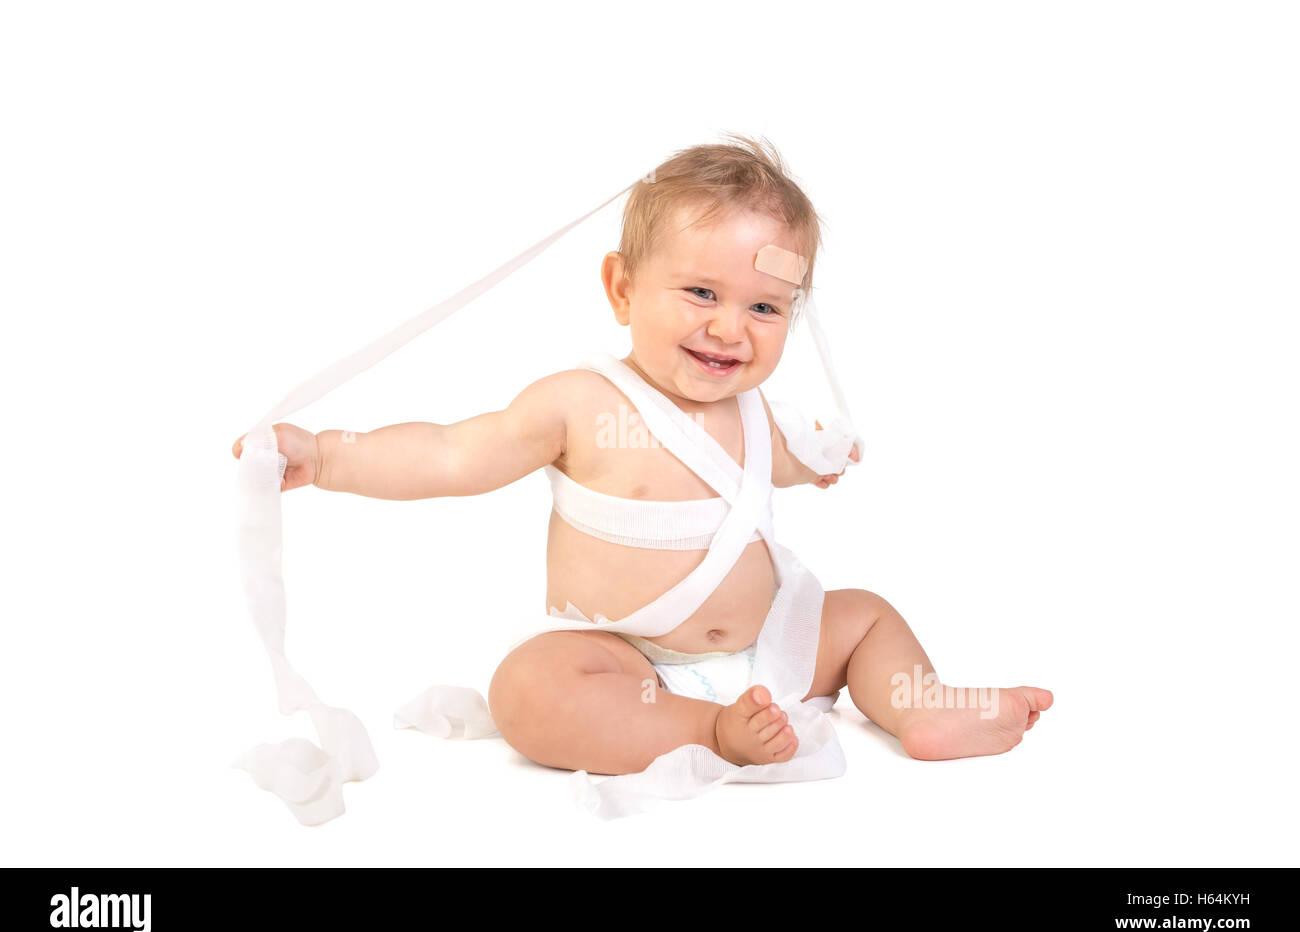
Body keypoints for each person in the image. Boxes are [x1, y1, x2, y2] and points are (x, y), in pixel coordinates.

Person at [232, 135, 1052, 778]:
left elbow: (781, 463)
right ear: (622, 288)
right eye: (701, 293)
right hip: (627, 663)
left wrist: (821, 460)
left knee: (865, 613)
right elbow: (453, 453)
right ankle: (710, 731)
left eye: (764, 305)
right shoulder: (578, 402)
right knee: (528, 689)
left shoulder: (756, 410)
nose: (731, 327)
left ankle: (921, 704)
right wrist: (329, 456)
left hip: (772, 647)